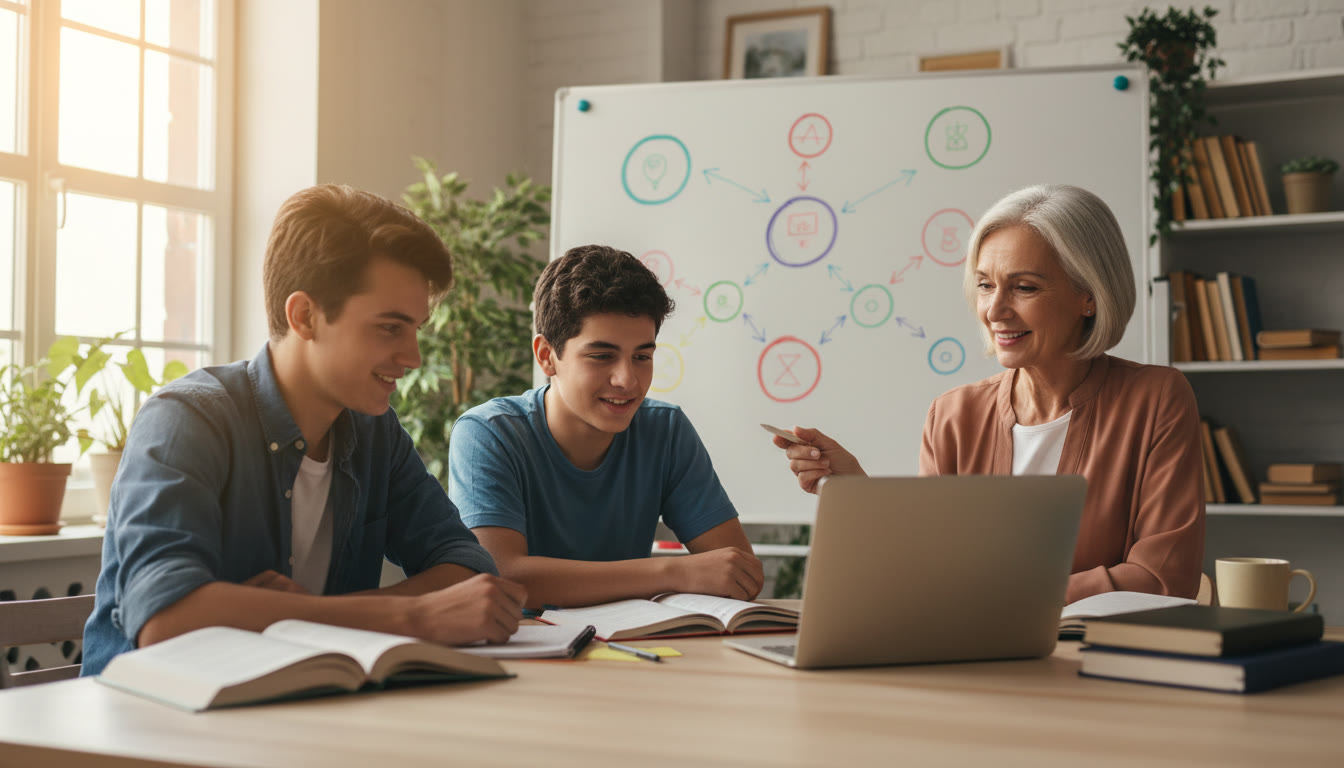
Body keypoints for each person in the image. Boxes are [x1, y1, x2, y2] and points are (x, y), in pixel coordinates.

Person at [82, 185, 525, 676]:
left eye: (415, 329)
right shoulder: (188, 420)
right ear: (305, 316)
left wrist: (288, 615)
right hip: (148, 728)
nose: (413, 358)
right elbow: (167, 620)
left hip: (293, 713)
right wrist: (409, 615)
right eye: (389, 328)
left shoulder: (375, 434)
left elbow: (467, 564)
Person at [772, 184, 1204, 603]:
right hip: (969, 662)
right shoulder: (953, 416)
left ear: (1088, 297)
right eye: (984, 285)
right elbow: (927, 572)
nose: (994, 311)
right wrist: (858, 494)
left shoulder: (1157, 399)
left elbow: (1163, 577)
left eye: (1024, 287)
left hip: (1096, 666)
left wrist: (1001, 595)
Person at [449, 244, 764, 609]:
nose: (627, 380)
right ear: (546, 356)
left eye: (642, 357)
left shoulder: (666, 431)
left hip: (632, 650)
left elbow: (740, 574)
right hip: (524, 654)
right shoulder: (488, 434)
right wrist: (672, 573)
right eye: (602, 356)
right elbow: (499, 573)